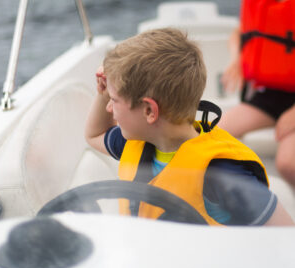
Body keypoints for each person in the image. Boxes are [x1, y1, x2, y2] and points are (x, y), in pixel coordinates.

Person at [85, 28, 294, 226]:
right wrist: (103, 93)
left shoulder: (223, 172)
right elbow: (95, 134)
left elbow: (285, 236)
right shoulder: (138, 143)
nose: (109, 108)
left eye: (113, 100)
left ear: (149, 111)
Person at [220, 0, 295, 188]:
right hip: (270, 95)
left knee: (288, 164)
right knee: (213, 134)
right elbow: (239, 32)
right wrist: (237, 59)